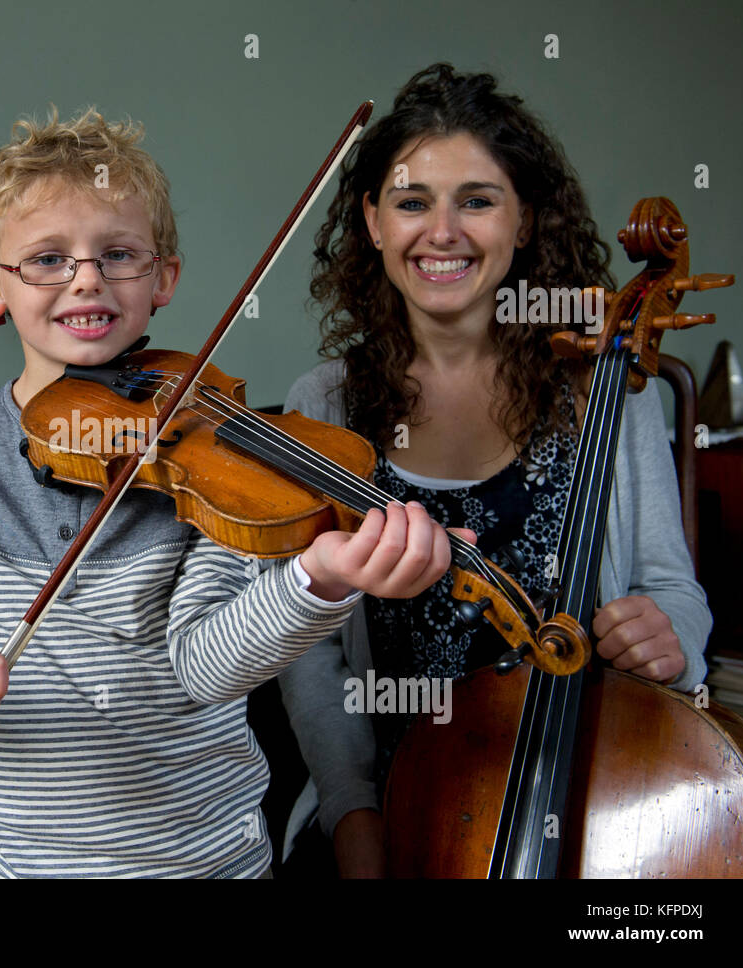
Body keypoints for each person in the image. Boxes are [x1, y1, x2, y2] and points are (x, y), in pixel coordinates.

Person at [0, 107, 464, 878]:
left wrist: (318, 581)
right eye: (48, 259)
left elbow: (206, 667)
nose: (87, 277)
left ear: (163, 279)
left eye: (118, 254)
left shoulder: (207, 458)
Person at [277, 63, 712, 877]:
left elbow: (675, 592)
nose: (442, 232)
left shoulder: (606, 391)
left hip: (590, 799)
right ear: (373, 221)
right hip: (390, 798)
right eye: (412, 202)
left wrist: (670, 639)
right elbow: (315, 658)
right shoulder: (325, 403)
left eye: (476, 200)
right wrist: (352, 814)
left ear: (523, 222)